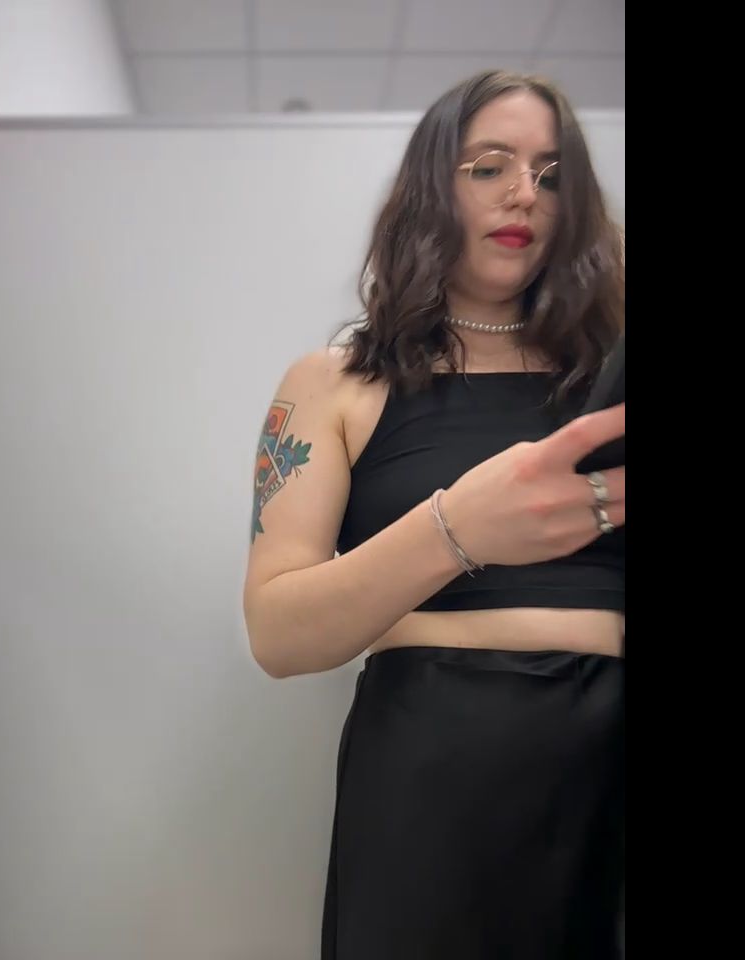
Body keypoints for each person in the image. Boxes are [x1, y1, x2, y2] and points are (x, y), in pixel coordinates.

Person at [243, 70, 625, 959]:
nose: (524, 192)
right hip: (434, 767)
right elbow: (278, 634)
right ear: (430, 187)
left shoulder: (608, 383)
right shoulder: (335, 383)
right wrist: (457, 530)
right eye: (489, 166)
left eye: (551, 174)